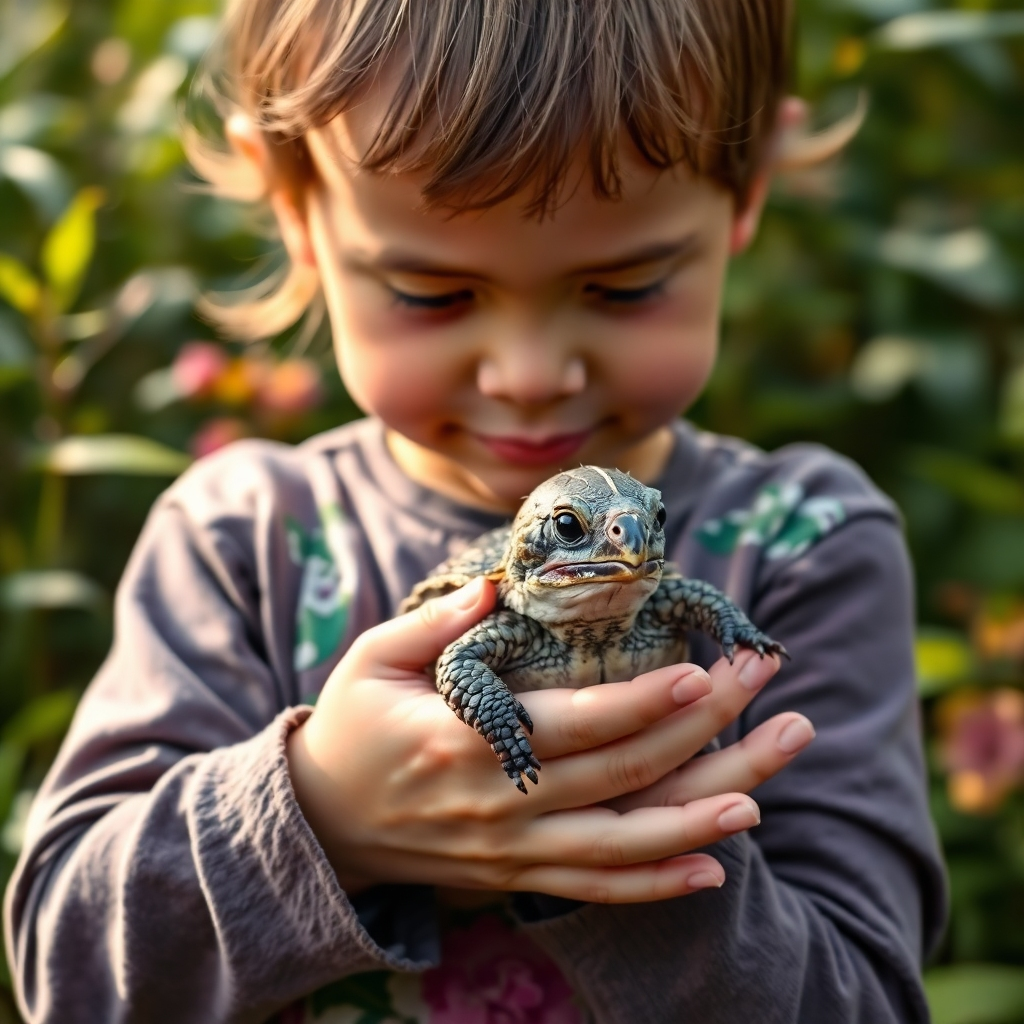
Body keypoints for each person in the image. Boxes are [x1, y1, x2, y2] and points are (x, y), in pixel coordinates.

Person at [4, 1, 947, 1021]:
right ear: (292, 202)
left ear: (748, 187)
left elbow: (866, 999)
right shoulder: (242, 537)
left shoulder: (809, 541)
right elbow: (71, 972)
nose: (531, 376)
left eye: (624, 285)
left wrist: (618, 848)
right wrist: (324, 810)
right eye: (432, 292)